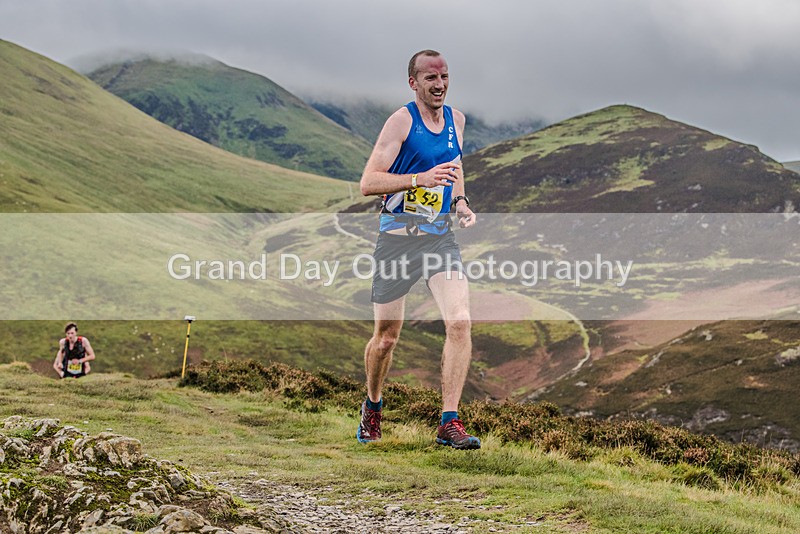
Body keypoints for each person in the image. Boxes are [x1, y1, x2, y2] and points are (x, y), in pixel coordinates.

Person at [357, 49, 480, 449]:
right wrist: (417, 179)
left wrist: (459, 201)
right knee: (386, 339)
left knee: (459, 322)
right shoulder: (401, 121)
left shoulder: (457, 120)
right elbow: (369, 182)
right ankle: (373, 407)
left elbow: (454, 166)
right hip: (396, 240)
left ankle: (449, 421)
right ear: (413, 83)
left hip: (439, 238)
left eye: (444, 77)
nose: (439, 85)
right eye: (431, 78)